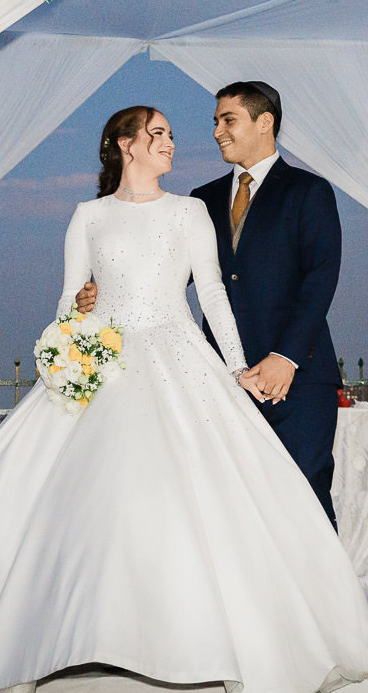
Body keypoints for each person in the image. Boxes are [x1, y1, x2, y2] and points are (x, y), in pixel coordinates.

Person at [0, 106, 368, 693]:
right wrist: (78, 312)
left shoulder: (190, 212)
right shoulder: (88, 216)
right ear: (123, 145)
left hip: (180, 352)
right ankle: (66, 636)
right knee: (77, 497)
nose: (173, 143)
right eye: (158, 134)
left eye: (172, 135)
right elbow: (70, 298)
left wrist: (235, 368)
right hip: (107, 354)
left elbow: (211, 292)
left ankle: (200, 638)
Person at [79, 82, 344, 524]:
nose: (217, 131)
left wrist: (286, 357)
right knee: (227, 502)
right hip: (217, 378)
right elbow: (166, 276)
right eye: (215, 122)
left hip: (298, 375)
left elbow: (320, 279)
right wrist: (102, 289)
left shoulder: (308, 191)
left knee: (303, 493)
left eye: (228, 120)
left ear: (265, 123)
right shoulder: (201, 200)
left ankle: (321, 595)